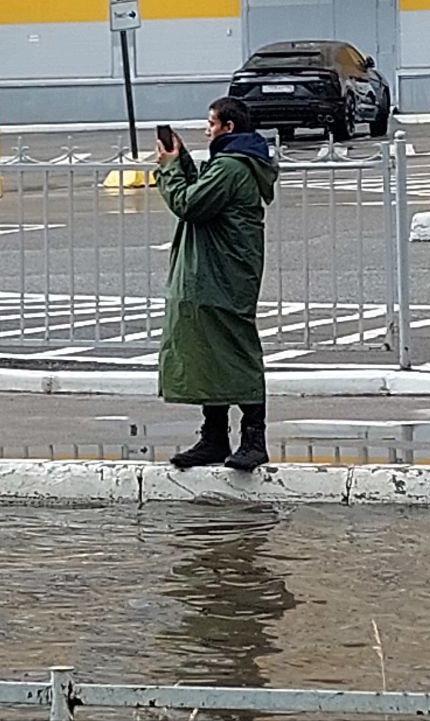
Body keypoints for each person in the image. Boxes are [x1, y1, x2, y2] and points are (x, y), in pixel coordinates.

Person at [154, 97, 278, 472]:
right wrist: (183, 160)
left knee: (236, 352)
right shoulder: (231, 165)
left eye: (211, 123)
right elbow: (203, 193)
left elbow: (190, 204)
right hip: (217, 274)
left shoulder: (231, 167)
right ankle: (215, 437)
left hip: (221, 276)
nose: (207, 129)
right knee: (211, 352)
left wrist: (170, 169)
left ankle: (254, 439)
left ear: (228, 128)